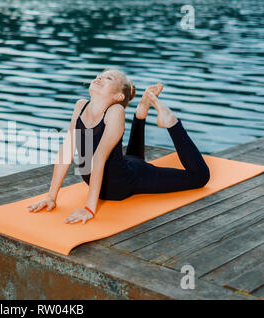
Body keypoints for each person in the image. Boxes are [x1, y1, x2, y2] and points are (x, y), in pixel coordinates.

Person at [27, 68, 210, 225]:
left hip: (120, 184)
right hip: (114, 173)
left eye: (108, 78)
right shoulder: (80, 106)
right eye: (100, 75)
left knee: (200, 177)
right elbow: (66, 151)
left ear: (118, 96)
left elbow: (98, 158)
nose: (99, 77)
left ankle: (171, 122)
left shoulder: (116, 110)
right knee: (134, 161)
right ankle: (141, 113)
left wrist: (89, 209)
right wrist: (51, 197)